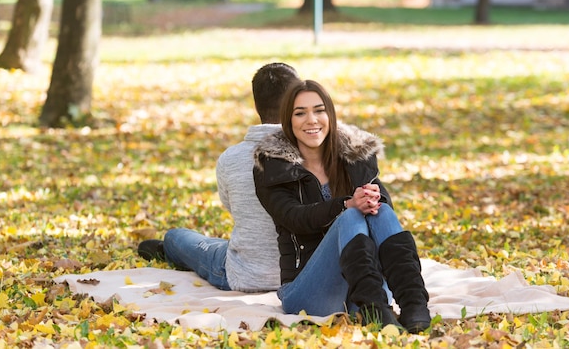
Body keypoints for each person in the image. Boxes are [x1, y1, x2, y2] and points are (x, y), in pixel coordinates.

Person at [252, 79, 431, 333]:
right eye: (300, 113)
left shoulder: (354, 157)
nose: (312, 120)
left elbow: (384, 220)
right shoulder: (273, 166)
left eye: (319, 110)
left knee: (382, 210)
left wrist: (373, 198)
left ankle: (414, 304)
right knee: (350, 216)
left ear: (330, 115)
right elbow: (293, 217)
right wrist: (346, 205)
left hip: (362, 288)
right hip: (308, 294)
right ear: (288, 121)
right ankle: (373, 312)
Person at [137, 62, 301, 292]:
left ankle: (169, 248)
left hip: (244, 275)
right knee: (219, 246)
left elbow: (232, 207)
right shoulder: (316, 154)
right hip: (301, 273)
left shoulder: (231, 158)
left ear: (256, 106)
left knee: (178, 237)